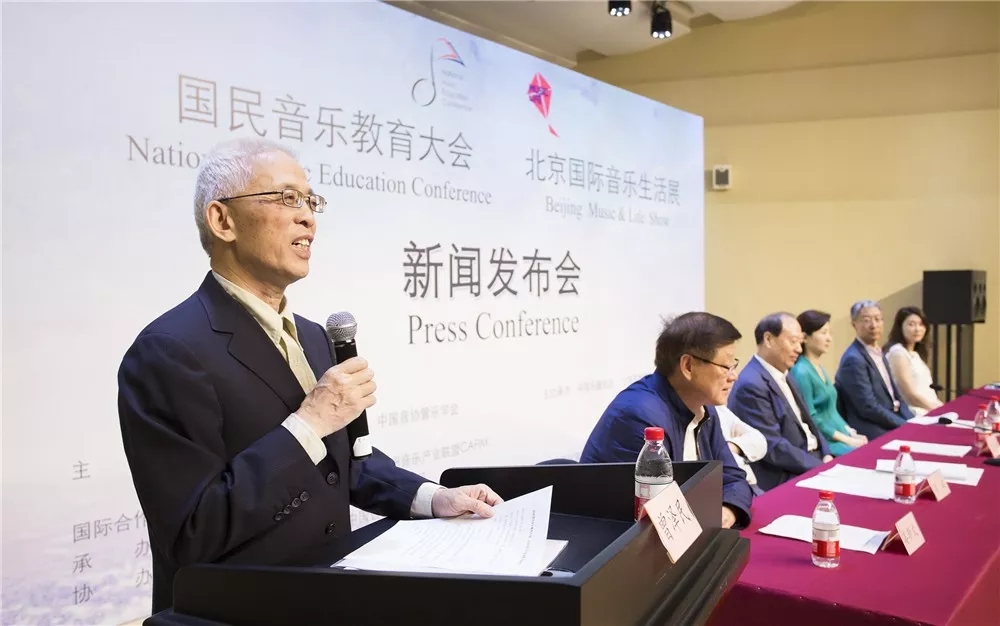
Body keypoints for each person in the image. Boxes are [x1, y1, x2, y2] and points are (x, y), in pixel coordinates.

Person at [117, 138, 502, 613]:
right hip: (236, 612)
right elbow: (193, 531)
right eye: (286, 198)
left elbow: (348, 463)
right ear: (222, 220)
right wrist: (308, 423)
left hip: (326, 597)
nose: (307, 218)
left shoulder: (316, 337)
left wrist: (434, 498)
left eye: (310, 201)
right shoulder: (168, 351)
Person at [580, 312, 753, 530]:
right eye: (726, 366)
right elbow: (652, 517)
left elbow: (733, 478)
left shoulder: (703, 407)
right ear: (688, 366)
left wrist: (727, 510)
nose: (734, 376)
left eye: (733, 365)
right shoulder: (640, 417)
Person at [729, 313, 832, 491]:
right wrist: (820, 467)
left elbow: (809, 421)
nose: (799, 349)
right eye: (793, 341)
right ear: (768, 339)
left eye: (800, 342)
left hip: (811, 459)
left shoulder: (785, 373)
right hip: (785, 472)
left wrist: (826, 453)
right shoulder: (751, 384)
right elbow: (773, 446)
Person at [790, 310, 867, 456]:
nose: (829, 338)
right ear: (805, 337)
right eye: (823, 333)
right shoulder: (801, 371)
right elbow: (811, 417)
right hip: (826, 442)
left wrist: (851, 432)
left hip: (839, 434)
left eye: (830, 333)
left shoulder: (820, 368)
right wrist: (847, 439)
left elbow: (832, 411)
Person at [835, 300, 913, 439]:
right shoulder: (853, 359)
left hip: (893, 419)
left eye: (878, 319)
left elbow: (897, 396)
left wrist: (913, 421)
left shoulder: (878, 352)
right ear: (854, 324)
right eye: (866, 320)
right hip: (874, 428)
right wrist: (905, 426)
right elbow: (868, 407)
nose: (874, 325)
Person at [884, 306, 943, 416]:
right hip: (913, 412)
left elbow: (926, 392)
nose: (917, 329)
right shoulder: (898, 353)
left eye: (921, 324)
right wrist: (938, 411)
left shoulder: (915, 354)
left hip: (927, 408)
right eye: (911, 324)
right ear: (900, 327)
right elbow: (910, 396)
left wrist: (943, 407)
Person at [714, 405, 767, 496]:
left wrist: (732, 446)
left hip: (751, 487)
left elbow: (759, 440)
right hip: (725, 494)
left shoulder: (717, 409)